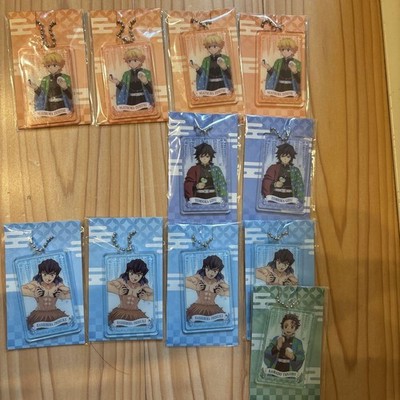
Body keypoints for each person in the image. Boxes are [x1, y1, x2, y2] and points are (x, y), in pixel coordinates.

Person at [21, 259, 71, 329]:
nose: (48, 278)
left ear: (56, 275)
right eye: (45, 274)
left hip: (55, 313)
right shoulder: (36, 284)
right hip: (39, 314)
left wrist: (62, 295)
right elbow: (21, 290)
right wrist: (33, 294)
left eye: (52, 275)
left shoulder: (58, 285)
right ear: (40, 273)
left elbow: (71, 294)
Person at [108, 259, 153, 325]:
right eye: (132, 273)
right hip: (120, 312)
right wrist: (118, 291)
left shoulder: (143, 286)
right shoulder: (122, 282)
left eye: (139, 275)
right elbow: (106, 286)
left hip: (136, 314)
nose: (134, 277)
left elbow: (158, 296)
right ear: (128, 272)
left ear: (142, 275)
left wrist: (147, 297)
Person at [185, 255, 229, 321]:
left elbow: (233, 291)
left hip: (214, 309)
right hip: (197, 307)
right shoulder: (199, 278)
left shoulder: (219, 282)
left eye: (215, 271)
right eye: (208, 269)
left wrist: (223, 293)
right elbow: (184, 281)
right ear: (204, 268)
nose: (211, 273)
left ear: (218, 271)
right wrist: (195, 287)